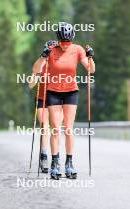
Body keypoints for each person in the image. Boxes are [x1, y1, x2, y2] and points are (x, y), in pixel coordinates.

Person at [33, 22, 95, 180]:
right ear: (58, 39)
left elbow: (91, 69)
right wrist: (43, 56)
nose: (65, 45)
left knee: (68, 128)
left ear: (72, 39)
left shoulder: (77, 49)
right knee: (56, 129)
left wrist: (90, 56)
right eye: (62, 42)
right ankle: (55, 163)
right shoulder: (52, 50)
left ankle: (69, 163)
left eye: (68, 42)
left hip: (71, 92)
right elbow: (36, 70)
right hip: (53, 92)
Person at [28, 40, 57, 173]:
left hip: (56, 99)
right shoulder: (41, 63)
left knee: (55, 129)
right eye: (49, 50)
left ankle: (55, 158)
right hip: (41, 99)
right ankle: (44, 157)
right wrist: (37, 74)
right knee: (45, 127)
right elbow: (31, 84)